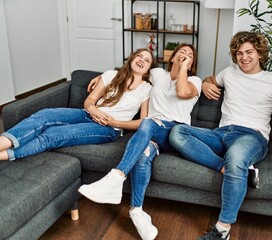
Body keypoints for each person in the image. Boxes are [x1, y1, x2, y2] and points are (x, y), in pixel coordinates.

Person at [169, 31, 272, 240]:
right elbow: (210, 78)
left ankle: (222, 231)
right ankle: (227, 167)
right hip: (221, 134)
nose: (244, 57)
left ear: (260, 53)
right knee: (177, 132)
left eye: (249, 52)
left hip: (252, 137)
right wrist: (207, 84)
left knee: (237, 157)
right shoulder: (229, 73)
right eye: (239, 53)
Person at [78, 43, 202, 240]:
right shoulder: (157, 74)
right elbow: (133, 69)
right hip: (150, 133)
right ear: (172, 57)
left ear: (192, 63)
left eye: (189, 55)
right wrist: (101, 77)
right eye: (181, 52)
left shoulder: (195, 80)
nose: (185, 55)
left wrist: (185, 68)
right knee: (143, 155)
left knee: (148, 123)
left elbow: (182, 92)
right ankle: (137, 211)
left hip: (174, 132)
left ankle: (116, 178)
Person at [0, 48, 156, 161]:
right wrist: (93, 109)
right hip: (87, 114)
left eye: (147, 60)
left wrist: (114, 122)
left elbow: (143, 122)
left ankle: (4, 155)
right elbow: (90, 100)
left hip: (108, 128)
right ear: (131, 59)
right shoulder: (111, 75)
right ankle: (4, 142)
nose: (142, 60)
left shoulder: (147, 89)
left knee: (53, 134)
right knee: (45, 114)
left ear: (149, 69)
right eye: (139, 56)